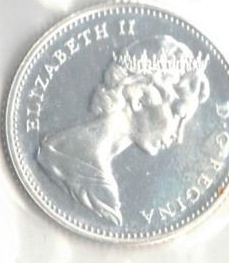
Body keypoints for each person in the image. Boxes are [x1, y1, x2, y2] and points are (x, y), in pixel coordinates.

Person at [36, 35, 212, 226]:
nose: (178, 136)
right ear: (140, 96)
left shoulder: (56, 146)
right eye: (178, 115)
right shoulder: (100, 189)